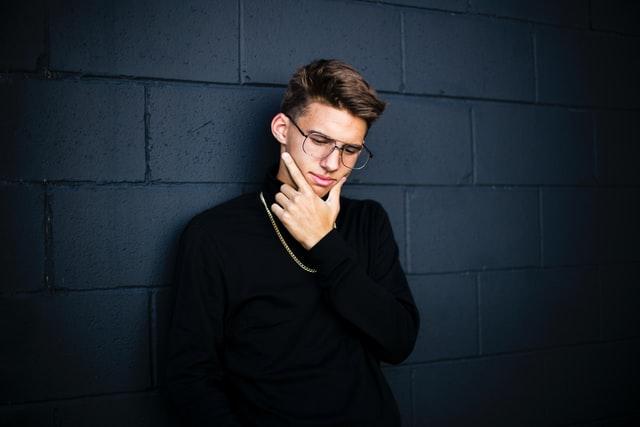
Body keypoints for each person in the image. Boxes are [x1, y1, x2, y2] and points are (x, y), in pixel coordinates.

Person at [167, 59, 420, 427]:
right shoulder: (214, 236)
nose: (332, 163)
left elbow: (398, 342)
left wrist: (325, 244)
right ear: (282, 128)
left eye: (350, 150)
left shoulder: (368, 221)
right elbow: (189, 379)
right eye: (319, 140)